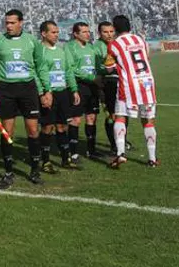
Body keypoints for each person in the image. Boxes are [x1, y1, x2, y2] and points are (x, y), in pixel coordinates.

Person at [0, 9, 51, 188]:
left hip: (28, 88)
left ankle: (35, 170)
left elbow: (41, 65)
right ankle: (8, 171)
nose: (8, 26)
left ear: (21, 23)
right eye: (7, 22)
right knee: (8, 131)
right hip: (5, 89)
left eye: (12, 22)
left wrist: (47, 89)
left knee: (32, 129)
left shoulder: (31, 41)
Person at [107, 15, 159, 168]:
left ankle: (121, 153)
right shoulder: (141, 39)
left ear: (115, 28)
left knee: (120, 117)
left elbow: (109, 68)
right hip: (147, 83)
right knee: (148, 121)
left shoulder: (114, 44)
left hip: (128, 85)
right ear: (129, 26)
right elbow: (147, 57)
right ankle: (152, 159)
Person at [37, 21, 80, 172]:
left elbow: (68, 71)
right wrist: (42, 93)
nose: (56, 35)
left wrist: (74, 90)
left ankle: (65, 159)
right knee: (47, 127)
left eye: (57, 32)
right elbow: (37, 73)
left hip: (62, 93)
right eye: (53, 32)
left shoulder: (61, 50)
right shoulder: (39, 51)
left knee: (62, 126)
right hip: (48, 94)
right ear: (44, 33)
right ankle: (46, 161)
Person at [66, 22, 104, 162]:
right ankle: (74, 153)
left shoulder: (91, 47)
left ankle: (91, 150)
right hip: (78, 86)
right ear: (75, 34)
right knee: (76, 119)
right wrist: (91, 77)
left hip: (93, 86)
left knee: (91, 118)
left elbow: (97, 67)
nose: (88, 34)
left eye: (89, 31)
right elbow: (70, 68)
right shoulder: (70, 47)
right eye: (84, 32)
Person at [96, 21, 124, 155]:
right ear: (99, 33)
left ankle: (122, 141)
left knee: (122, 115)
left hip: (121, 83)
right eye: (105, 32)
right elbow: (96, 67)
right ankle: (114, 145)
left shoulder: (118, 44)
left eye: (111, 31)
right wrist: (108, 67)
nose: (109, 34)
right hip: (105, 84)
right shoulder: (96, 47)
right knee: (110, 115)